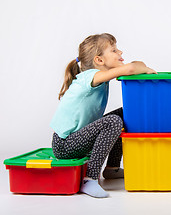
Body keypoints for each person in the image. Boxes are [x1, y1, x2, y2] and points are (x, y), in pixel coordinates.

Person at [50, 33, 156, 198]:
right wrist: (144, 68)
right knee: (113, 121)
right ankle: (90, 179)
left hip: (78, 138)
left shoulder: (99, 77)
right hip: (64, 144)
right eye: (114, 50)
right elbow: (131, 68)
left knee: (125, 112)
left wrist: (141, 67)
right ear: (99, 60)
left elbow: (134, 65)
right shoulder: (90, 76)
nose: (120, 52)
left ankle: (111, 169)